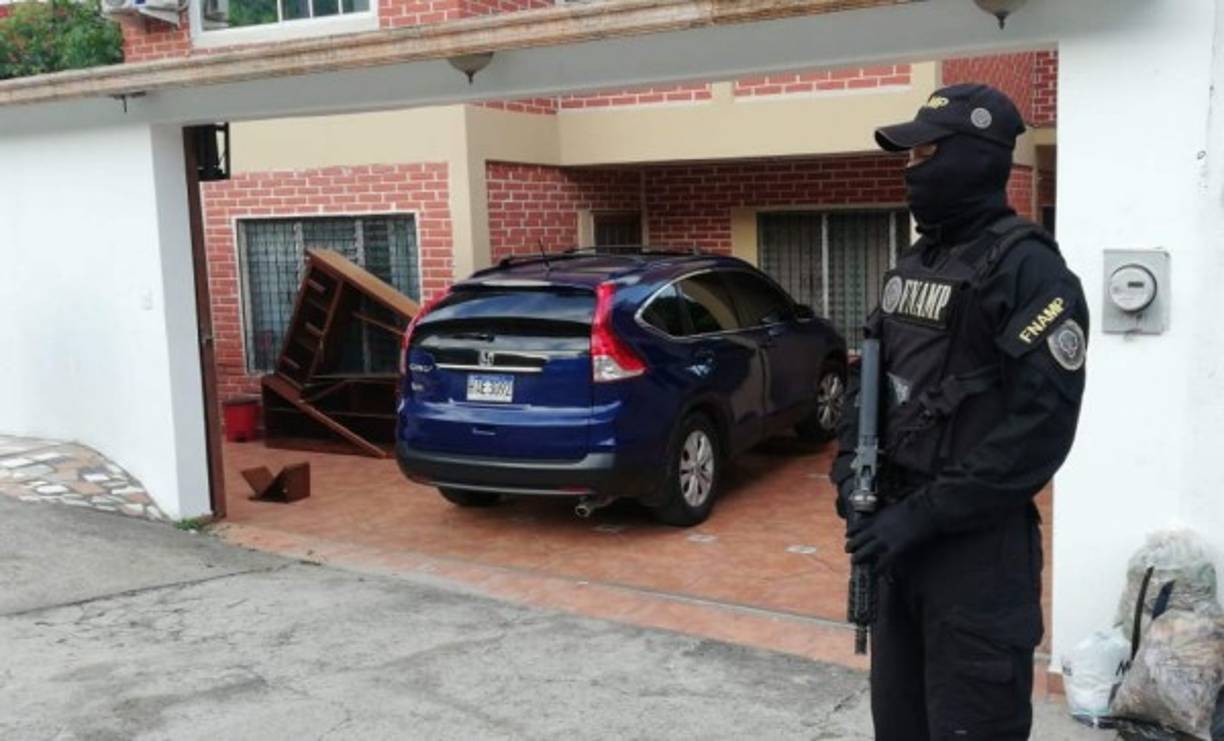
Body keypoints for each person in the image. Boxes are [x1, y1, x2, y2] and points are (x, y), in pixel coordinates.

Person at [830, 83, 1088, 740]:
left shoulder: (1030, 271)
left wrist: (922, 515)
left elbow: (1039, 433)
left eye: (925, 154)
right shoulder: (915, 262)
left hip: (976, 558)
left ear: (973, 159)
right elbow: (872, 378)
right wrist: (849, 474)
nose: (909, 170)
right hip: (899, 548)